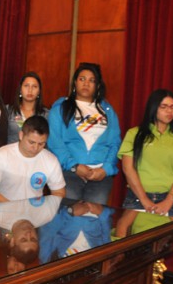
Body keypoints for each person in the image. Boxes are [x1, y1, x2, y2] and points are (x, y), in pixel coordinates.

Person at [115, 90, 173, 236]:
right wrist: (144, 199)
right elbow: (128, 168)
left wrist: (169, 200)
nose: (169, 111)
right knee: (122, 230)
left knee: (170, 236)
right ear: (153, 107)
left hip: (169, 196)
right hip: (138, 194)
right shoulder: (134, 134)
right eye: (164, 107)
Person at [47, 63, 121, 204]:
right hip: (69, 172)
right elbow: (55, 143)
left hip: (99, 175)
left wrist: (105, 169)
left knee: (93, 219)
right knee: (68, 216)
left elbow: (115, 143)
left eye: (91, 80)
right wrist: (75, 166)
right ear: (75, 82)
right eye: (82, 79)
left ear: (97, 85)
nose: (86, 83)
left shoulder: (108, 110)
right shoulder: (61, 108)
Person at [0, 116, 66, 202]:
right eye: (31, 142)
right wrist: (14, 208)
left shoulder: (51, 160)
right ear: (21, 135)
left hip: (35, 211)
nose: (35, 148)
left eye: (41, 144)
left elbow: (59, 192)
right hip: (3, 208)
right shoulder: (2, 155)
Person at [7, 71, 49, 144]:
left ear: (39, 91)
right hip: (11, 153)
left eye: (34, 86)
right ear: (20, 89)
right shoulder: (8, 110)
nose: (30, 90)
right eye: (26, 86)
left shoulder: (46, 114)